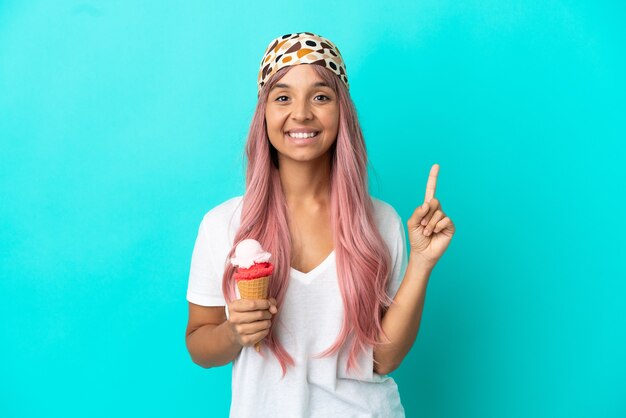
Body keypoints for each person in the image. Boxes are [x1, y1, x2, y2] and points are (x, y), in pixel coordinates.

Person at [185, 32, 456, 417]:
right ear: (263, 114)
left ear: (341, 111)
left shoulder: (381, 221)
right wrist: (233, 333)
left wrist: (422, 263)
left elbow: (383, 360)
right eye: (282, 97)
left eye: (321, 96)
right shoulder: (223, 225)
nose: (301, 113)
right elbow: (199, 344)